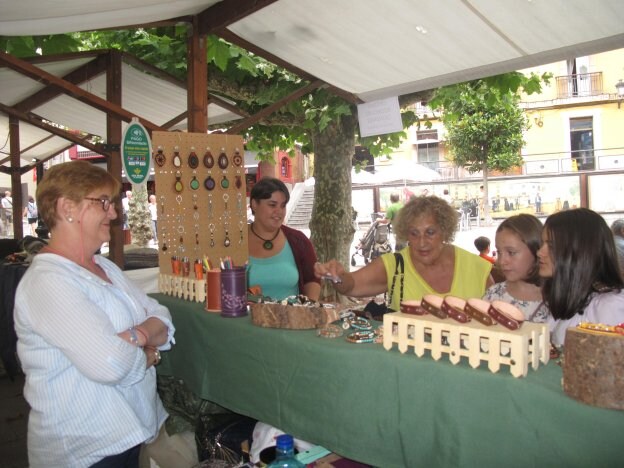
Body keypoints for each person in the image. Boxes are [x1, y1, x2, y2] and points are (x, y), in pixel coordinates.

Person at [13, 161, 176, 467]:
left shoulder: (106, 268)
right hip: (84, 447)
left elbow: (161, 316)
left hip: (130, 432)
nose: (114, 213)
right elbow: (110, 364)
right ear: (67, 208)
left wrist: (134, 337)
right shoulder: (49, 281)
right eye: (103, 202)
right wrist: (147, 352)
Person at [315, 195, 494, 311]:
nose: (421, 242)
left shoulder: (478, 269)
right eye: (414, 233)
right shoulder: (395, 264)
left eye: (430, 232)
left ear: (445, 231)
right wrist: (337, 276)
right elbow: (351, 285)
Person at [537, 208, 624, 347]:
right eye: (543, 243)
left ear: (579, 252)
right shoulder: (569, 299)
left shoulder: (610, 305)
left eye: (551, 246)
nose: (540, 252)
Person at [247, 177, 320, 301]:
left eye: (283, 205)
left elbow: (312, 279)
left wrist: (309, 308)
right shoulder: (235, 240)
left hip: (292, 318)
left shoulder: (298, 241)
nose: (279, 211)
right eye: (272, 205)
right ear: (254, 204)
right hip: (244, 319)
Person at [483, 214, 549, 322]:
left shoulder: (556, 300)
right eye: (499, 252)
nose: (501, 261)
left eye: (511, 252)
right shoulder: (494, 294)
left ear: (537, 250)